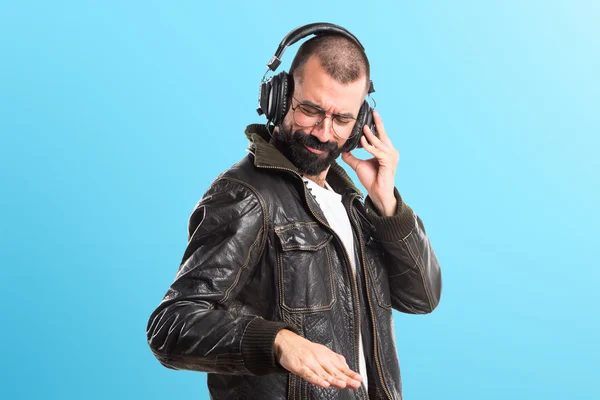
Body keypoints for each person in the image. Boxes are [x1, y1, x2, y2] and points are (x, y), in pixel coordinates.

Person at [146, 23, 442, 400]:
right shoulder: (245, 195)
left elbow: (422, 297)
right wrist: (279, 342)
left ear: (361, 123)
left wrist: (387, 204)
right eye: (310, 110)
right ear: (280, 97)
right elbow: (171, 325)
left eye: (342, 120)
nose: (323, 132)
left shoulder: (351, 201)